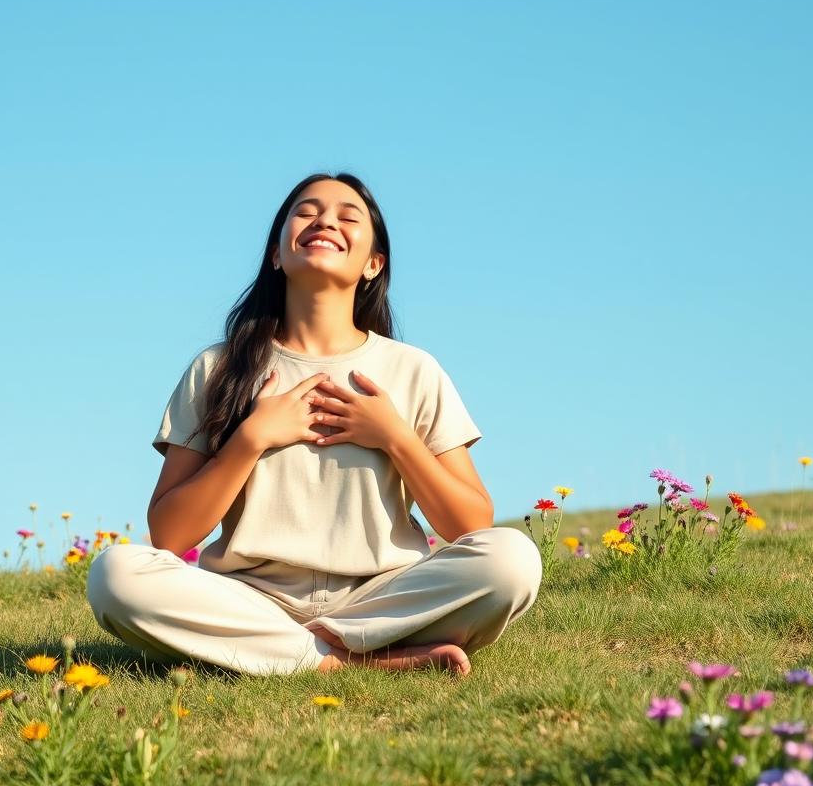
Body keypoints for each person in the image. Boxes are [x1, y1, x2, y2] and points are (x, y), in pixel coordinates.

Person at [87, 172, 542, 676]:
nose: (325, 220)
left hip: (383, 597)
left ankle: (289, 654)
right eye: (306, 212)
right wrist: (252, 438)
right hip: (251, 598)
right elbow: (169, 534)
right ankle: (349, 660)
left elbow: (470, 524)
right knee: (116, 574)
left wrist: (393, 436)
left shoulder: (413, 370)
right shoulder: (218, 369)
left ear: (373, 264)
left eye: (348, 217)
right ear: (276, 253)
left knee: (511, 559)